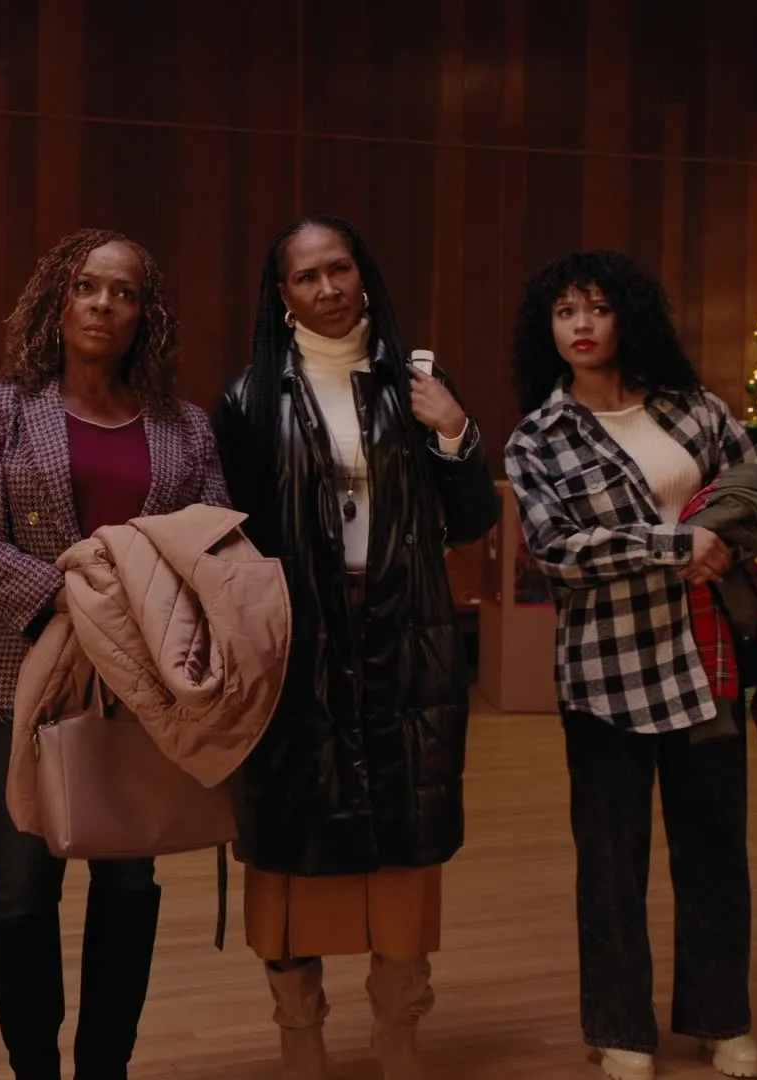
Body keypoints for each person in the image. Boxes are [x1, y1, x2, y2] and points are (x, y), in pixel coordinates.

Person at [211, 214, 497, 1080]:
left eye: (341, 270)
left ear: (364, 276)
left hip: (406, 636)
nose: (328, 288)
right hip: (298, 646)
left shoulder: (413, 379)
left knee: (405, 845)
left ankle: (398, 1037)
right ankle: (302, 1041)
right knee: (291, 846)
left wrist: (454, 432)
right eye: (307, 276)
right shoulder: (251, 399)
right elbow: (241, 539)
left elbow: (474, 520)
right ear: (282, 294)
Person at [0, 227, 228, 1080]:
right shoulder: (2, 405)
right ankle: (34, 1067)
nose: (105, 305)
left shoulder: (186, 426)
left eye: (125, 293)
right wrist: (79, 598)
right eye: (88, 288)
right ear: (58, 303)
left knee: (130, 886)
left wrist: (140, 619)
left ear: (149, 315)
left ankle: (106, 1067)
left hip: (137, 688)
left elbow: (212, 543)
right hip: (18, 678)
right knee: (25, 889)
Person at [502, 249, 757, 1080]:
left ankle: (721, 1018)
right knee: (611, 860)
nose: (580, 326)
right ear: (547, 328)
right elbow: (555, 548)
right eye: (564, 312)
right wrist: (675, 544)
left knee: (715, 850)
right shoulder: (539, 436)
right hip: (607, 669)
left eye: (598, 309)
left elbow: (754, 488)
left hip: (704, 655)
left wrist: (718, 536)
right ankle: (620, 1025)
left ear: (630, 317)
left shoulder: (696, 411)